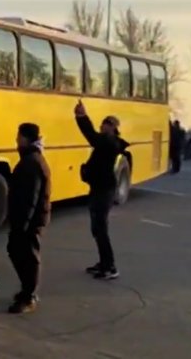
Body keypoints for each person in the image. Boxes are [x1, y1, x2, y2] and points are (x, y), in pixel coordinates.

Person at [74, 100, 128, 280]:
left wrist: (81, 117)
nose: (102, 127)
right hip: (99, 188)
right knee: (97, 229)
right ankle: (104, 262)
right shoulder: (107, 141)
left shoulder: (110, 142)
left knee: (100, 228)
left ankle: (110, 266)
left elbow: (91, 136)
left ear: (112, 127)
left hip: (104, 190)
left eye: (105, 124)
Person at [6, 123, 51, 314]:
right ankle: (26, 290)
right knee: (16, 251)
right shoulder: (30, 159)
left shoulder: (32, 162)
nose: (16, 140)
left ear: (25, 138)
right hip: (26, 219)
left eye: (18, 136)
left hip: (30, 221)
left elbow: (30, 197)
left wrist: (22, 225)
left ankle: (29, 296)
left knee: (28, 256)